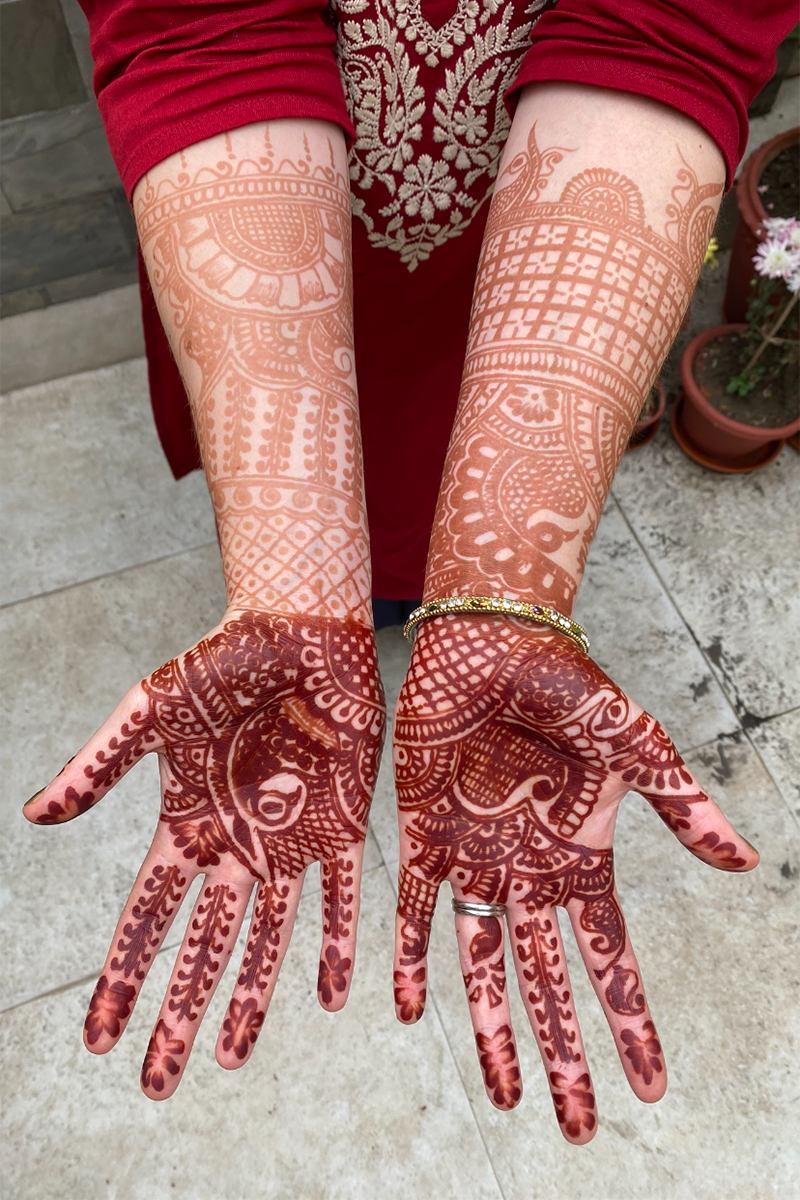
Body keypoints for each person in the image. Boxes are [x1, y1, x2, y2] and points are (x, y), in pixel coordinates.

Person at [22, 0, 796, 1144]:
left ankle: (420, 603)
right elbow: (205, 31)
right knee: (347, 537)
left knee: (457, 505)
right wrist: (293, 584)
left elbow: (662, 27)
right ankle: (366, 599)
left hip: (550, 232)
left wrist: (508, 594)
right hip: (268, 231)